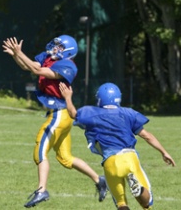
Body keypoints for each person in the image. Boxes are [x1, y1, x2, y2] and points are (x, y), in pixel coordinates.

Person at [2, 35, 107, 208]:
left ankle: (41, 190)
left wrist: (20, 52)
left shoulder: (68, 65)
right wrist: (16, 55)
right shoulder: (48, 57)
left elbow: (38, 72)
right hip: (58, 114)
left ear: (68, 51)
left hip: (60, 113)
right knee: (65, 158)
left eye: (59, 46)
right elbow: (30, 66)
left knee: (40, 151)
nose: (55, 48)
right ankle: (99, 179)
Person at [59, 82, 176, 210]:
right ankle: (138, 189)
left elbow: (73, 113)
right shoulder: (129, 113)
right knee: (146, 203)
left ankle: (134, 191)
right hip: (129, 158)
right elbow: (147, 135)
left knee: (121, 204)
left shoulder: (91, 112)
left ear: (99, 98)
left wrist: (68, 97)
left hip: (110, 162)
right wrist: (164, 152)